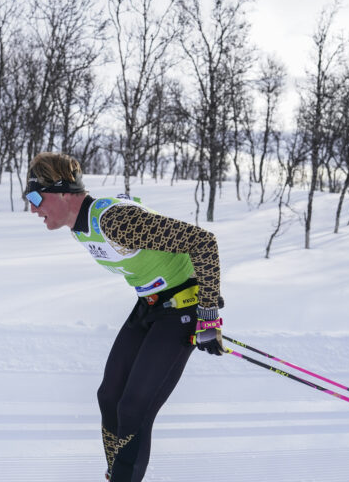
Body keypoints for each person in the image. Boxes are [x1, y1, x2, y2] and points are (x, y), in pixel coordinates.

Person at [25, 152, 224, 482]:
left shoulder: (115, 221)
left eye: (35, 197)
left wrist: (208, 314)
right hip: (149, 304)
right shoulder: (80, 226)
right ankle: (117, 474)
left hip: (182, 308)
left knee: (134, 409)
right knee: (109, 397)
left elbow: (202, 242)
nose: (32, 208)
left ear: (63, 192)